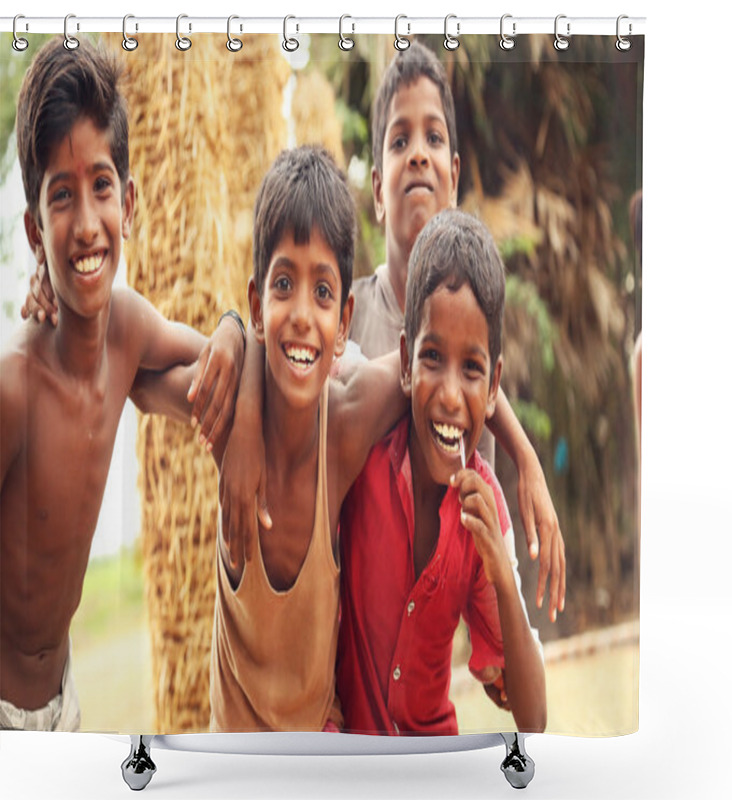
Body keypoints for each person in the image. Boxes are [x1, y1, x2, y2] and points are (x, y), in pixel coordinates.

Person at [223, 41, 566, 622]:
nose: (418, 156)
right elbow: (269, 337)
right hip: (335, 644)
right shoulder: (339, 314)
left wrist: (527, 460)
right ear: (377, 187)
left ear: (454, 176)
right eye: (400, 139)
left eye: (434, 138)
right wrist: (242, 372)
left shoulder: (472, 359)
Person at [0, 38, 243, 732]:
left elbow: (224, 366)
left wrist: (231, 324)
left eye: (101, 186)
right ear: (34, 228)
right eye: (60, 197)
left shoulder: (129, 333)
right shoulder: (14, 388)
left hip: (63, 698)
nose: (85, 224)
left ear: (129, 202)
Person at [206, 146, 411, 732]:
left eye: (323, 293)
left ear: (344, 321)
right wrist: (231, 331)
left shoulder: (344, 428)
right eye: (283, 284)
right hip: (232, 770)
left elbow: (438, 368)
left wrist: (523, 457)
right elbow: (136, 362)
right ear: (256, 300)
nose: (301, 313)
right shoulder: (222, 414)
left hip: (319, 761)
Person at [337, 209, 546, 735]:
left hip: (432, 766)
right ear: (405, 362)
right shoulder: (363, 451)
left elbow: (534, 718)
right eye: (432, 357)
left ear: (494, 384)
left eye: (471, 369)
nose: (451, 395)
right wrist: (231, 330)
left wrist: (500, 570)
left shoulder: (485, 513)